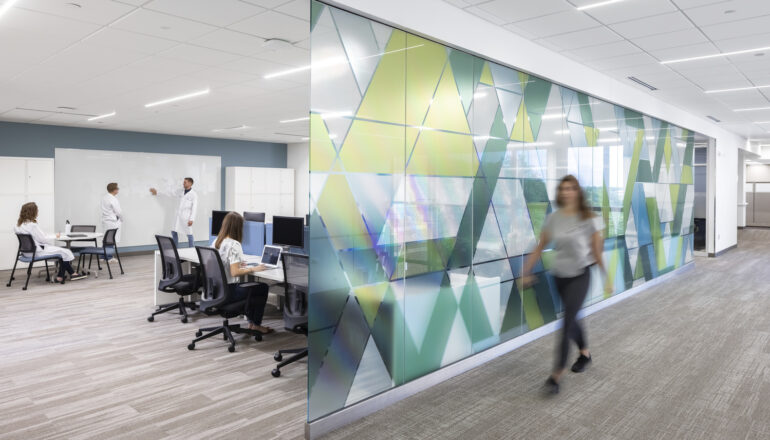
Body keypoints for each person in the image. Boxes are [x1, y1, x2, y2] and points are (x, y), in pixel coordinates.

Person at [521, 175, 611, 395]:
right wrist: (526, 271)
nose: (566, 192)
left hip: (581, 274)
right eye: (563, 188)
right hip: (559, 275)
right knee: (573, 318)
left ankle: (556, 376)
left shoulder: (590, 218)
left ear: (577, 191)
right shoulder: (554, 218)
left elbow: (597, 252)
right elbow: (540, 246)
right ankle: (585, 353)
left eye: (571, 188)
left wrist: (606, 278)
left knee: (567, 322)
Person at [213, 212, 274, 335]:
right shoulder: (234, 244)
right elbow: (235, 272)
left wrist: (238, 264)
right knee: (262, 287)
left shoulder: (217, 242)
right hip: (229, 292)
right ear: (238, 227)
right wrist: (253, 269)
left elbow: (221, 264)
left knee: (253, 287)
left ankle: (252, 323)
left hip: (217, 290)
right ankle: (255, 324)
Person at [14, 202, 87, 284]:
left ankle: (72, 274)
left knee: (63, 252)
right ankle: (61, 277)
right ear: (33, 212)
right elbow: (43, 239)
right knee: (66, 251)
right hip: (37, 252)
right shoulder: (32, 225)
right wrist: (53, 237)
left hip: (26, 253)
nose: (37, 212)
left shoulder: (18, 226)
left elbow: (34, 239)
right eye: (37, 210)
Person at [150, 177, 198, 248]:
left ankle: (192, 249)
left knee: (189, 234)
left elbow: (194, 208)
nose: (183, 183)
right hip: (178, 216)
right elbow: (169, 193)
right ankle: (175, 248)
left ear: (190, 183)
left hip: (186, 217)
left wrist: (192, 219)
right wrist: (157, 192)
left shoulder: (194, 195)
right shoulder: (180, 191)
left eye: (185, 182)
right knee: (174, 231)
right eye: (183, 182)